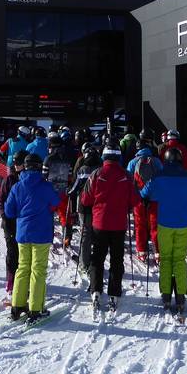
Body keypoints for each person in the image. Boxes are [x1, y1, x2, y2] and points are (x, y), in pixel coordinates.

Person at [80, 140, 140, 312]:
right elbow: (135, 200)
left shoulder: (96, 174)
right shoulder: (126, 175)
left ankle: (95, 290)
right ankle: (114, 293)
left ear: (104, 156)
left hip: (99, 223)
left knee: (97, 258)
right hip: (119, 224)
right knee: (116, 259)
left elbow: (85, 199)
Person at [140, 147, 187, 312]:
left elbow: (144, 193)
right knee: (179, 259)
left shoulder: (158, 175)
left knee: (166, 259)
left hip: (164, 224)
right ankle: (180, 296)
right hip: (183, 223)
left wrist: (148, 198)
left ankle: (166, 295)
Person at [4, 153, 61, 323]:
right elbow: (56, 203)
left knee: (22, 268)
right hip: (41, 234)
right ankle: (36, 309)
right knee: (38, 270)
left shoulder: (17, 186)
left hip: (23, 233)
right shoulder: (46, 186)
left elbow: (9, 211)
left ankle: (17, 306)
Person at [126, 130, 163, 263]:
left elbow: (129, 182)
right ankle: (158, 253)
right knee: (155, 225)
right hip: (155, 198)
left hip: (139, 199)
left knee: (140, 225)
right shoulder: (156, 161)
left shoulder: (132, 163)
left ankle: (142, 252)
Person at [0, 151, 28, 302]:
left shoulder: (27, 180)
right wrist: (4, 215)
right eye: (15, 162)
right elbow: (1, 200)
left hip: (24, 223)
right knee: (12, 252)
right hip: (10, 223)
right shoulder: (9, 179)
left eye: (19, 163)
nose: (16, 165)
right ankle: (10, 282)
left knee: (23, 254)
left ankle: (23, 283)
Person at [68, 142, 102, 274]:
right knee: (97, 233)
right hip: (98, 205)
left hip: (84, 205)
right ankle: (96, 261)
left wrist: (69, 192)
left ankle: (84, 262)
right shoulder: (101, 169)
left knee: (85, 234)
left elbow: (75, 187)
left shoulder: (83, 169)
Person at [43, 132, 74, 246]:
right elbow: (70, 176)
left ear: (53, 147)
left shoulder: (48, 159)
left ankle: (49, 237)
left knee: (48, 215)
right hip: (63, 191)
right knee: (65, 215)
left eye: (49, 146)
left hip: (50, 192)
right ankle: (67, 237)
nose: (48, 149)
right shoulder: (67, 158)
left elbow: (44, 176)